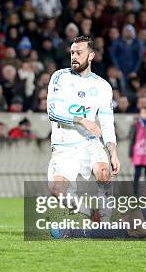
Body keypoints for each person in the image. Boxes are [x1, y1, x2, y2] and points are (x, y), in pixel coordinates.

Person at [46, 36, 120, 221]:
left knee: (103, 172)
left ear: (91, 56)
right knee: (57, 190)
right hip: (64, 144)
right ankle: (89, 213)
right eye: (72, 53)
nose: (74, 56)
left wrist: (113, 150)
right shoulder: (60, 77)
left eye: (79, 53)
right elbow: (52, 112)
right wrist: (81, 120)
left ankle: (105, 218)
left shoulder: (103, 86)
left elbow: (106, 121)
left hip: (89, 142)